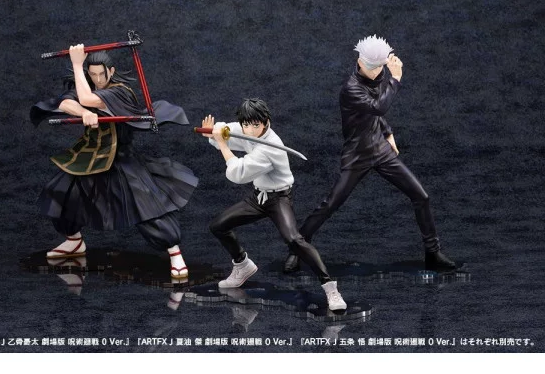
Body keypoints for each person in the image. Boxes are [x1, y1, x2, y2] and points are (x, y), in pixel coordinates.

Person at [283, 35, 458, 273]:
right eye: (375, 67)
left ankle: (433, 252)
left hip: (381, 149)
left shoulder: (378, 76)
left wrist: (387, 132)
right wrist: (396, 79)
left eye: (381, 68)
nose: (379, 72)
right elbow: (377, 106)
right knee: (330, 204)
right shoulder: (351, 88)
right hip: (357, 154)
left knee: (421, 196)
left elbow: (375, 113)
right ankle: (297, 247)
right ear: (360, 62)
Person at [31, 44, 198, 279]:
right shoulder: (87, 86)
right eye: (92, 74)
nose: (98, 79)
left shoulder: (120, 92)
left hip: (121, 161)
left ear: (111, 71)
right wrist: (83, 113)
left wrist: (77, 64)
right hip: (89, 159)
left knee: (147, 207)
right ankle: (74, 241)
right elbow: (64, 102)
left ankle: (175, 253)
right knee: (59, 194)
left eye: (102, 74)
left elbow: (88, 99)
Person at [202, 99, 347, 312]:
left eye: (255, 125)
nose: (250, 130)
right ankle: (242, 265)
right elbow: (229, 130)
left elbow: (238, 173)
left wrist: (221, 144)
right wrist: (214, 132)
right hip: (258, 197)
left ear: (265, 122)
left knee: (294, 240)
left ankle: (330, 288)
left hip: (278, 199)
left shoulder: (270, 148)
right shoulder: (247, 128)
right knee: (218, 226)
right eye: (246, 125)